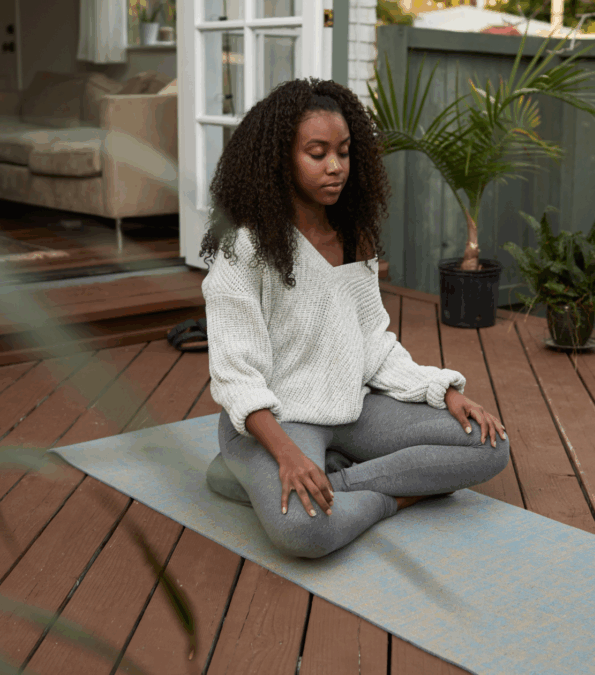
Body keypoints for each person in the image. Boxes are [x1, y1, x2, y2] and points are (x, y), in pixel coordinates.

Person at [199, 77, 510, 559]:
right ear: (280, 159)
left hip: (351, 405)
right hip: (275, 421)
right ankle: (385, 496)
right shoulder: (243, 247)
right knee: (305, 533)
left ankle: (329, 479)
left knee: (489, 444)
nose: (336, 167)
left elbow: (372, 341)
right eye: (317, 153)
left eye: (343, 152)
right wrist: (287, 457)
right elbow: (236, 375)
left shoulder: (354, 237)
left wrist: (442, 391)